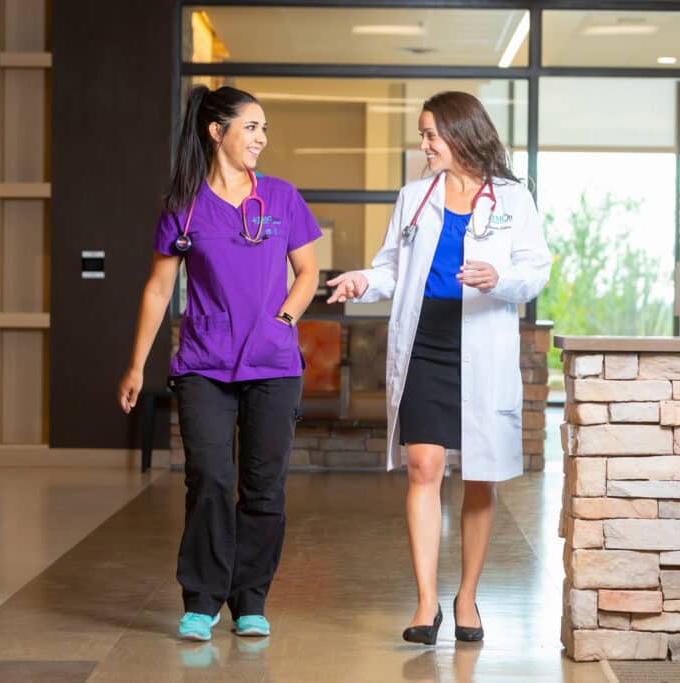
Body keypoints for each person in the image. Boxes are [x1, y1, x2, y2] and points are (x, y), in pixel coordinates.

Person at [326, 91, 550, 645]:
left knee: (479, 476)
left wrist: (498, 280)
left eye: (431, 135)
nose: (423, 145)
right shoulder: (413, 198)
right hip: (425, 342)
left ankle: (467, 596)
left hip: (480, 342)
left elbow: (535, 272)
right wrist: (362, 281)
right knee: (424, 468)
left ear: (460, 134)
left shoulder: (513, 200)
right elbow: (391, 270)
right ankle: (426, 603)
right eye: (422, 135)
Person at [117, 85, 320, 642]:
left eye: (264, 129)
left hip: (274, 367)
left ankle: (250, 599)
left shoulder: (280, 198)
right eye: (251, 127)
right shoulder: (184, 207)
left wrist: (282, 321)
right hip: (204, 364)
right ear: (217, 131)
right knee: (208, 478)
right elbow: (159, 290)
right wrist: (137, 366)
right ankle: (202, 600)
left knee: (264, 487)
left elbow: (308, 273)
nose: (261, 138)